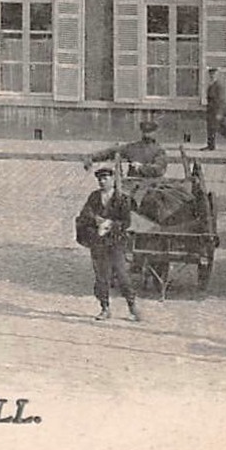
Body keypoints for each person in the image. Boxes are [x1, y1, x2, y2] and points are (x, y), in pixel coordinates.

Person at [76, 165, 141, 321]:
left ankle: (132, 307)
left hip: (115, 241)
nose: (102, 182)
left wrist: (111, 224)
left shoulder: (122, 198)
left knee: (122, 274)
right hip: (98, 242)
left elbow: (126, 221)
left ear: (113, 180)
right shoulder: (94, 197)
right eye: (100, 179)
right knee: (101, 276)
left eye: (105, 178)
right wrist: (96, 220)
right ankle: (105, 308)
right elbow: (85, 214)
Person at [85, 120, 167, 178]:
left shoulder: (159, 150)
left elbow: (159, 169)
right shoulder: (133, 147)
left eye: (150, 132)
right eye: (145, 132)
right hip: (132, 183)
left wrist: (140, 168)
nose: (147, 135)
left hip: (153, 185)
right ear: (142, 132)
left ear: (155, 133)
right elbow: (112, 152)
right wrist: (92, 157)